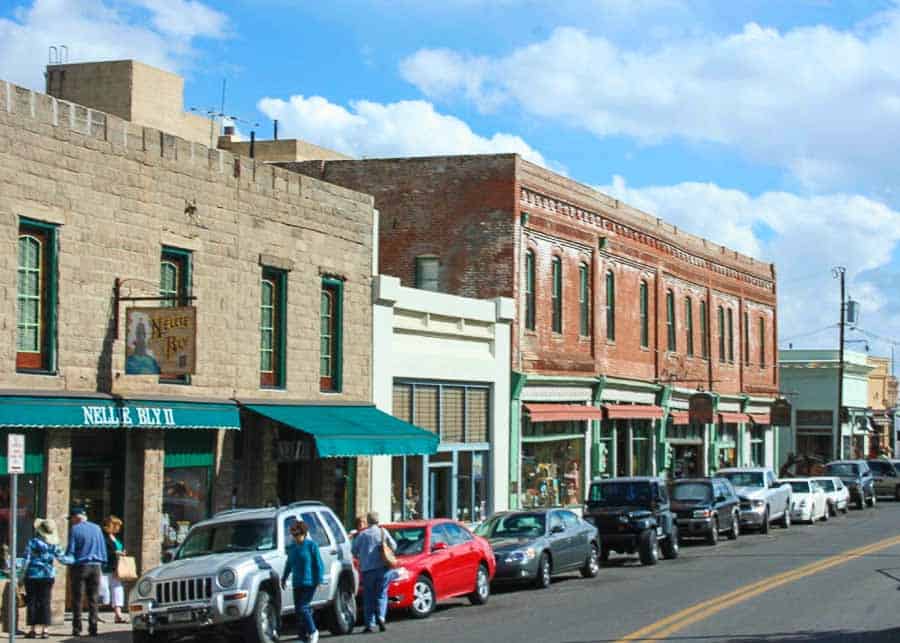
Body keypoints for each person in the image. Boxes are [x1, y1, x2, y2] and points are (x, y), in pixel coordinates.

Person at [21, 519, 72, 639]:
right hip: (48, 575)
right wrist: (75, 559)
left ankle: (32, 630)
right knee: (45, 602)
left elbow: (26, 560)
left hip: (32, 575)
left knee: (32, 601)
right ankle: (45, 630)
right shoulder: (53, 544)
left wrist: (20, 576)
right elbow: (63, 559)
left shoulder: (32, 542)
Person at [65, 507, 107, 637]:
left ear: (76, 517)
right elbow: (102, 547)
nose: (71, 521)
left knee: (77, 599)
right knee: (93, 598)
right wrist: (103, 562)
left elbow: (71, 550)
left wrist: (66, 559)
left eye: (71, 518)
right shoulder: (97, 528)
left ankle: (77, 629)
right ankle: (93, 628)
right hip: (96, 566)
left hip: (80, 566)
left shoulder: (75, 529)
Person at [351, 512, 396, 633]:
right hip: (383, 568)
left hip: (367, 570)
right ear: (377, 520)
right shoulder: (383, 532)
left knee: (369, 597)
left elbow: (353, 550)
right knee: (382, 594)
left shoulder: (362, 535)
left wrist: (362, 555)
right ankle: (381, 617)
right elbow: (394, 546)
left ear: (368, 521)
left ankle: (369, 624)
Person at [280, 521, 325, 643]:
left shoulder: (311, 545)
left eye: (297, 534)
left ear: (304, 533)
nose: (295, 537)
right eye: (293, 534)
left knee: (303, 608)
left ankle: (313, 631)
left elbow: (319, 564)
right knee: (298, 611)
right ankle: (302, 637)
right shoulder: (292, 547)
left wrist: (320, 579)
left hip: (310, 582)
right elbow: (289, 564)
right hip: (297, 583)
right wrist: (284, 578)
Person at [99, 516, 127, 624]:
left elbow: (118, 548)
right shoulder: (103, 536)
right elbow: (102, 550)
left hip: (116, 567)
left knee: (118, 589)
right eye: (117, 525)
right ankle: (95, 613)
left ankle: (118, 614)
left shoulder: (115, 537)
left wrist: (122, 552)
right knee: (103, 590)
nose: (118, 528)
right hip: (105, 566)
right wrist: (115, 552)